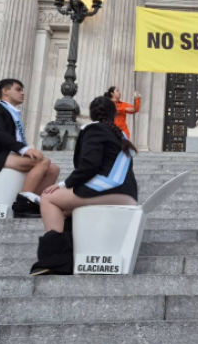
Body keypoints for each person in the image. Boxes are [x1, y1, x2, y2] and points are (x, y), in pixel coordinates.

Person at [31, 97, 139, 276]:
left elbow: (90, 165)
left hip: (108, 190)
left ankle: (54, 262)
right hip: (126, 193)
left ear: (91, 114)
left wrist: (63, 184)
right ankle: (73, 254)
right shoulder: (119, 134)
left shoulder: (94, 129)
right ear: (114, 114)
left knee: (48, 199)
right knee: (65, 211)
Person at [0, 79, 60, 218]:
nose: (23, 93)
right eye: (18, 89)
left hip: (7, 154)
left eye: (23, 90)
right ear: (5, 91)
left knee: (53, 169)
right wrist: (24, 149)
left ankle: (35, 204)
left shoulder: (14, 113)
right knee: (42, 162)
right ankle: (21, 206)